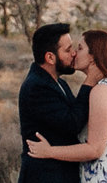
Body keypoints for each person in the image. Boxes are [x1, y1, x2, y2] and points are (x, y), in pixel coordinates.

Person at [26, 29, 107, 183]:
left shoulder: (101, 91)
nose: (74, 53)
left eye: (80, 48)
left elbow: (94, 149)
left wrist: (49, 151)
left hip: (104, 175)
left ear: (93, 57)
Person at [18, 23, 93, 183]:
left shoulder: (58, 83)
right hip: (45, 175)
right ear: (50, 57)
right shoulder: (37, 87)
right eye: (67, 50)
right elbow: (73, 123)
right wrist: (90, 82)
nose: (73, 54)